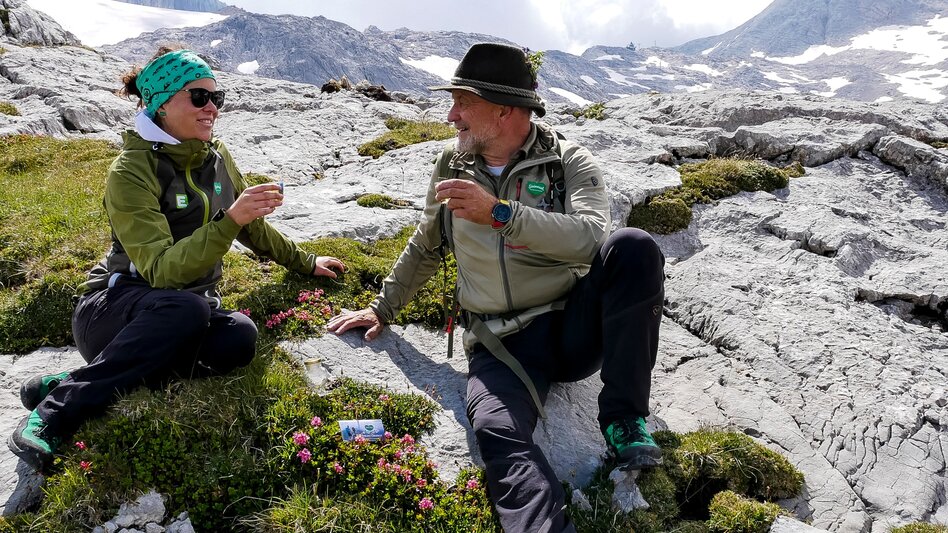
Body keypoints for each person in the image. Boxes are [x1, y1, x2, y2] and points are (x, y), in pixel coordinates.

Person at [328, 43, 665, 532]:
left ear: (505, 110)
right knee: (497, 432)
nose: (451, 115)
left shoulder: (567, 161)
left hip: (573, 326)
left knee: (633, 247)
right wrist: (383, 308)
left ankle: (623, 420)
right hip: (501, 341)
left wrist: (500, 215)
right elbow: (428, 243)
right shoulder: (452, 164)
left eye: (463, 102)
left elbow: (592, 238)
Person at [8, 47, 345, 472]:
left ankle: (76, 378)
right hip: (113, 311)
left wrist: (306, 261)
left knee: (239, 337)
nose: (212, 109)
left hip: (182, 312)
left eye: (216, 98)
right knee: (186, 306)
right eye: (199, 97)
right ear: (162, 103)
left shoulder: (216, 157)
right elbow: (163, 272)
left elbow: (252, 227)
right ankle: (54, 412)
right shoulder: (131, 170)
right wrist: (230, 218)